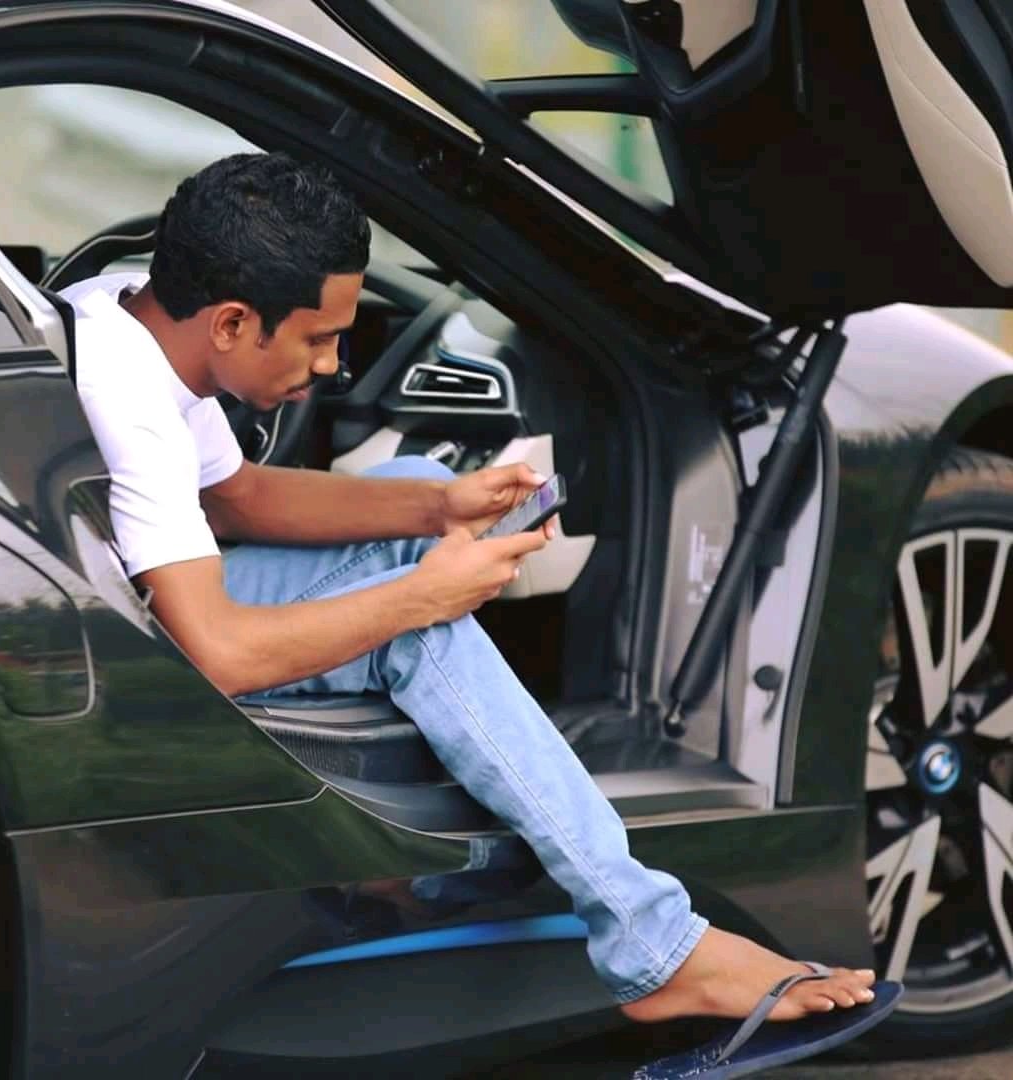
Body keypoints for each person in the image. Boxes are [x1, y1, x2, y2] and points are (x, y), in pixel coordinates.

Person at [61, 152, 876, 1028]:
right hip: (126, 646)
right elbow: (214, 652)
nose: (333, 364)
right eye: (317, 339)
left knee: (413, 493)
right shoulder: (129, 396)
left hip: (139, 591)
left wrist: (438, 504)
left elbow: (238, 497)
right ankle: (655, 944)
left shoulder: (129, 308)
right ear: (230, 323)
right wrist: (424, 597)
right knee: (420, 621)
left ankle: (426, 871)